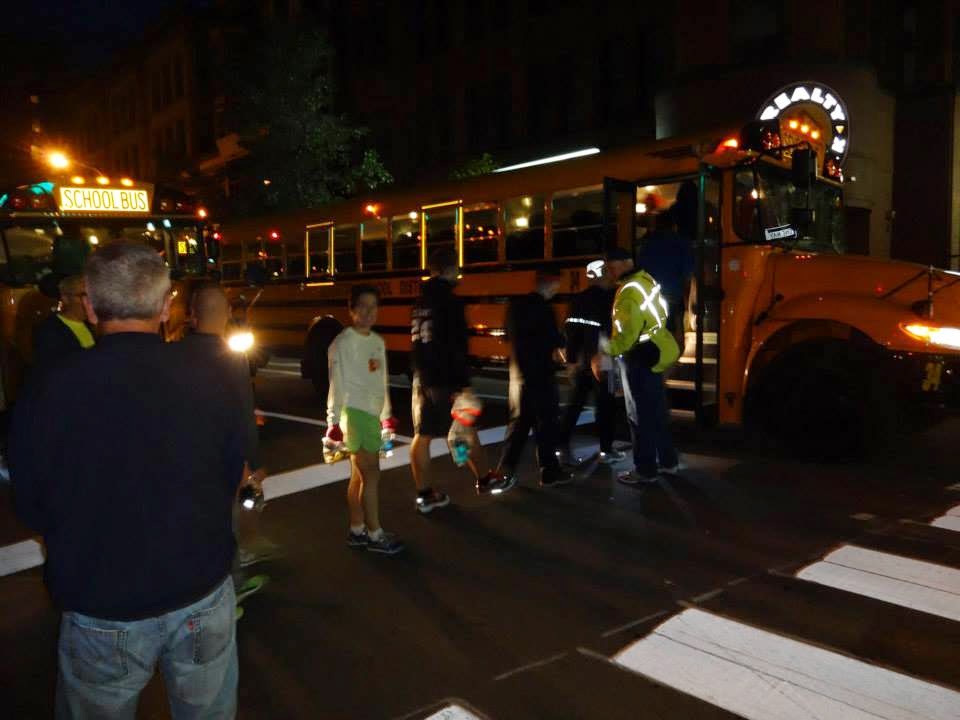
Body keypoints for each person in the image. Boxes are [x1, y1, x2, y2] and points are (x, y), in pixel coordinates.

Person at [10, 242, 248, 717]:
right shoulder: (212, 374)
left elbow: (31, 502)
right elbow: (232, 474)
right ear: (166, 307)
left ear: (92, 306)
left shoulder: (49, 387)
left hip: (101, 602)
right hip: (201, 590)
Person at [182, 283, 274, 611]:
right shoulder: (230, 359)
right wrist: (253, 461)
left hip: (186, 458)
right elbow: (242, 414)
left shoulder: (175, 353)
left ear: (192, 315)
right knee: (226, 524)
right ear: (226, 316)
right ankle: (229, 594)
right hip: (222, 459)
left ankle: (201, 586)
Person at [409, 248, 511, 513]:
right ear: (448, 270)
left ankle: (424, 494)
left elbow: (419, 343)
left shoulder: (421, 302)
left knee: (423, 436)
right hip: (446, 378)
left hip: (424, 377)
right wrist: (463, 384)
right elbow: (455, 346)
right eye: (457, 269)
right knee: (466, 429)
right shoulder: (450, 302)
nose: (459, 274)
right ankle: (486, 479)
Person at [325, 285, 404, 554]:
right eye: (363, 307)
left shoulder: (377, 342)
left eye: (374, 307)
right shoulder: (342, 343)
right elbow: (335, 384)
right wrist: (333, 422)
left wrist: (386, 417)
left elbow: (381, 383)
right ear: (351, 310)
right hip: (354, 414)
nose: (369, 312)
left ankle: (357, 529)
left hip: (371, 416)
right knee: (371, 474)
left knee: (359, 477)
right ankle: (375, 534)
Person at [596, 247, 681, 484]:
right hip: (656, 349)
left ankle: (645, 469)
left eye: (612, 267)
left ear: (625, 263)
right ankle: (668, 462)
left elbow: (628, 334)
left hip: (639, 357)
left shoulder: (628, 291)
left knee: (639, 416)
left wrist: (607, 350)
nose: (610, 273)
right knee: (656, 412)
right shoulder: (646, 280)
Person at [496, 268, 573, 487]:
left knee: (519, 423)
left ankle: (505, 470)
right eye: (557, 285)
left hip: (518, 372)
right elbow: (556, 340)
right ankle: (549, 471)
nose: (558, 289)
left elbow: (507, 334)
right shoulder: (544, 308)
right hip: (541, 373)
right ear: (550, 284)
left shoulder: (515, 305)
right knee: (547, 422)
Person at [558, 259, 623, 466]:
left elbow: (571, 330)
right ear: (604, 274)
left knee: (575, 403)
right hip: (602, 360)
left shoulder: (578, 299)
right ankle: (606, 449)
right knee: (605, 405)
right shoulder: (612, 298)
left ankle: (561, 442)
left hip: (582, 361)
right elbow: (612, 331)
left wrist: (571, 360)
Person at [635, 184, 696, 351]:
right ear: (674, 224)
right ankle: (660, 374)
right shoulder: (681, 243)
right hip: (672, 298)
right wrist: (689, 302)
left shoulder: (646, 245)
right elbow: (688, 274)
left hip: (648, 299)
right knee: (676, 344)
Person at [31, 274, 94, 371]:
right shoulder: (50, 331)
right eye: (83, 295)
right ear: (65, 298)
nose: (90, 301)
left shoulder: (94, 324)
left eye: (92, 295)